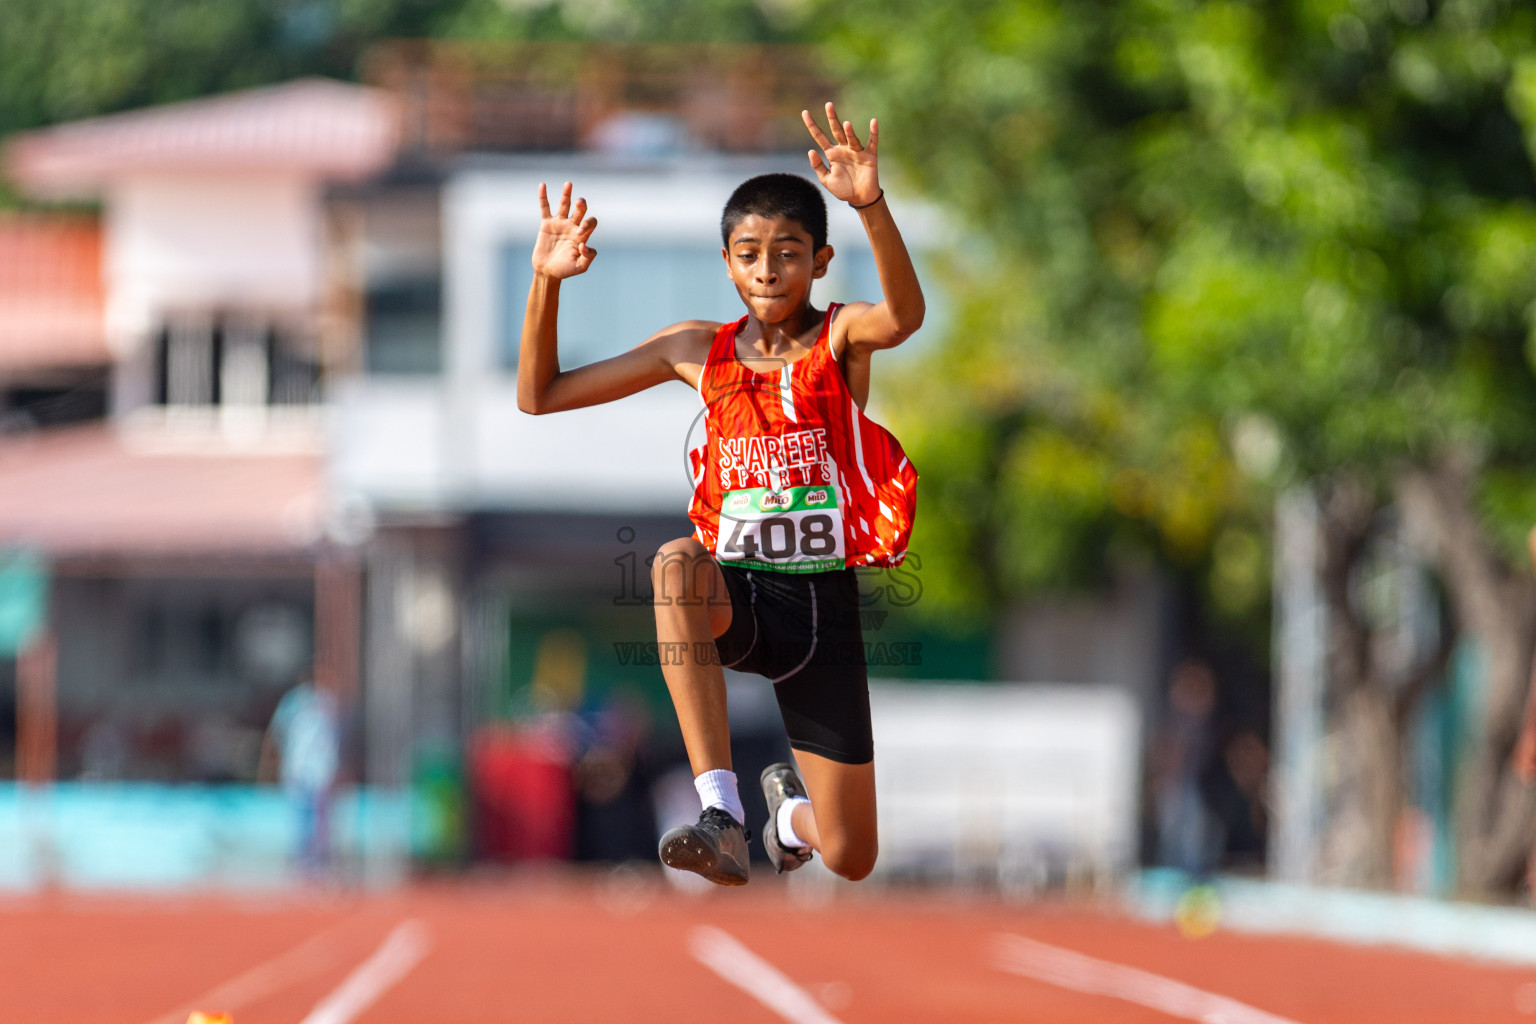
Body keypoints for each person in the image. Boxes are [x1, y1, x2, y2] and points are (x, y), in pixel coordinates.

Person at [518, 103, 924, 885]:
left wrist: (870, 203)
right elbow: (540, 395)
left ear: (821, 260)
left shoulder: (840, 338)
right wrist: (545, 282)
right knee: (674, 564)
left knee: (850, 856)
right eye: (749, 254)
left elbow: (904, 316)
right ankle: (722, 811)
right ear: (728, 265)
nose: (768, 269)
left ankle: (786, 814)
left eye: (788, 253)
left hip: (820, 613)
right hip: (737, 596)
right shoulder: (694, 350)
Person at [259, 679, 340, 878]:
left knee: (321, 821)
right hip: (298, 769)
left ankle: (319, 864)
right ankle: (301, 865)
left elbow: (334, 739)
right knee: (299, 821)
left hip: (320, 771)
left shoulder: (327, 701)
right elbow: (277, 733)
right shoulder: (293, 702)